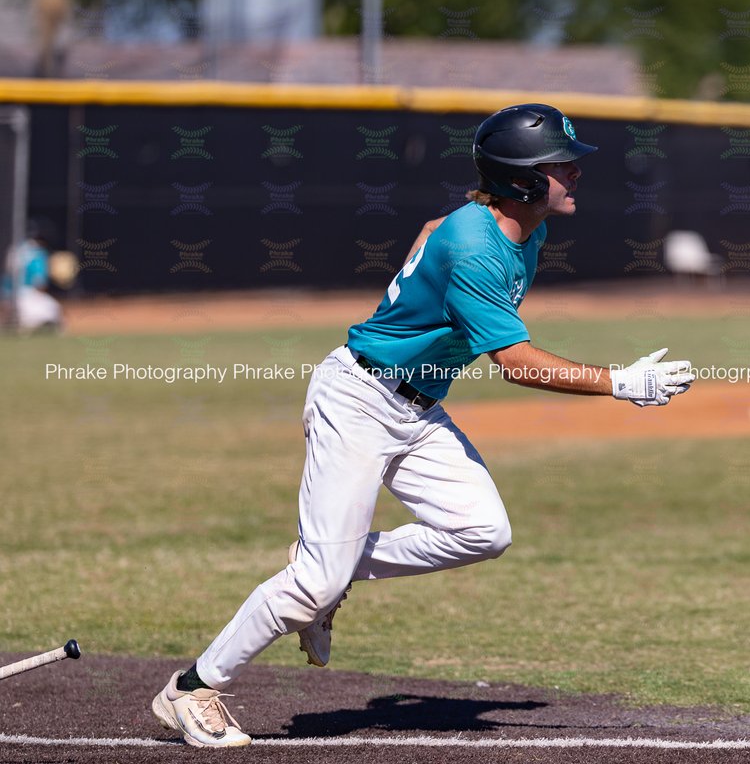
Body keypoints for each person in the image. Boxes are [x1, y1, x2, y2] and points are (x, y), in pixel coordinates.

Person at [151, 104, 695, 748]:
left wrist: (415, 272)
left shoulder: (514, 226)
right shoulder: (476, 249)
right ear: (522, 180)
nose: (574, 172)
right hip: (358, 400)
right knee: (314, 582)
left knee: (482, 531)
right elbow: (515, 363)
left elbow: (437, 223)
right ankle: (193, 689)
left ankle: (333, 564)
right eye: (559, 164)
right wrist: (621, 383)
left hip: (415, 407)